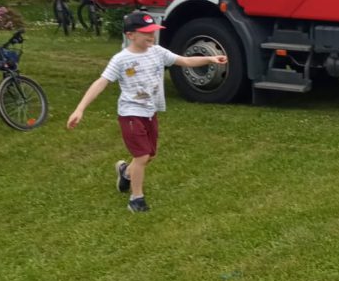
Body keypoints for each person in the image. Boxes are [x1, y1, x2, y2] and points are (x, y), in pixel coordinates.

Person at [67, 11, 227, 213]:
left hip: (150, 113)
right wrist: (80, 109)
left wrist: (211, 59)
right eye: (146, 32)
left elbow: (184, 61)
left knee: (149, 156)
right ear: (130, 35)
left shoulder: (157, 52)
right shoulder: (121, 59)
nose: (151, 36)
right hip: (130, 113)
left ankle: (126, 173)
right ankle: (136, 199)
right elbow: (101, 82)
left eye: (153, 31)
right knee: (142, 156)